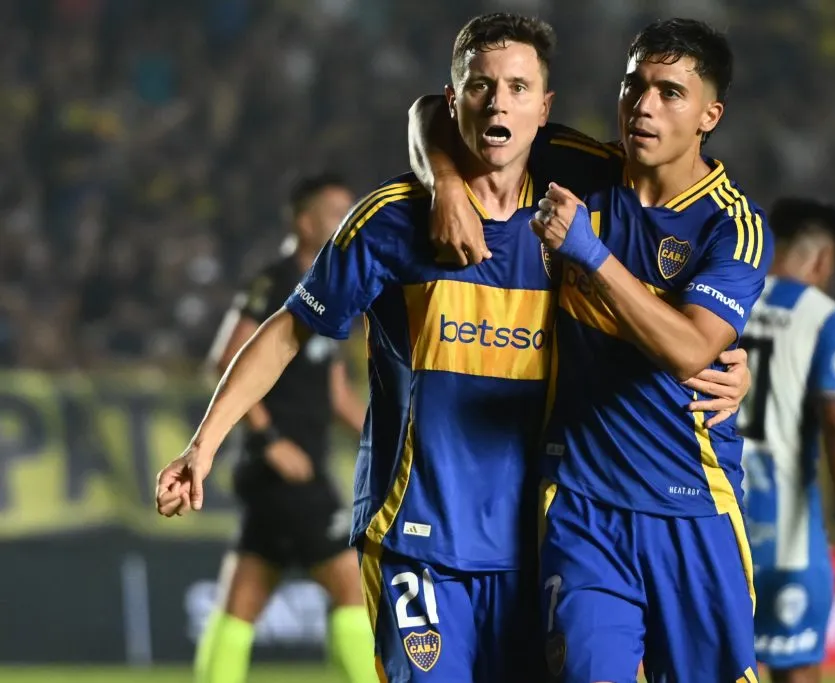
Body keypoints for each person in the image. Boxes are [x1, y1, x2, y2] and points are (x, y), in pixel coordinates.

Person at [157, 14, 748, 683]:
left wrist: (732, 362)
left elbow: (658, 320)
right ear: (454, 98)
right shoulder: (392, 220)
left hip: (536, 547)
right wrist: (202, 444)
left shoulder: (574, 219)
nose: (498, 102)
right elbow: (289, 330)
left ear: (544, 108)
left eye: (518, 88)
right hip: (419, 543)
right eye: (481, 87)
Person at [410, 17, 772, 683]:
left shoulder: (733, 226)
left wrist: (590, 255)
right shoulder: (582, 166)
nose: (643, 106)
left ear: (709, 114)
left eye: (670, 93)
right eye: (634, 86)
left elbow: (691, 349)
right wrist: (446, 184)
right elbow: (436, 109)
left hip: (690, 507)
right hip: (583, 507)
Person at [194, 173, 375, 683]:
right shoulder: (275, 283)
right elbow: (226, 359)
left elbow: (337, 394)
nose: (347, 219)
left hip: (299, 465)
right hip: (285, 467)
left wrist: (390, 437)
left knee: (244, 594)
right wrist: (269, 440)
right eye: (335, 210)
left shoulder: (331, 290)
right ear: (304, 220)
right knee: (349, 584)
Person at [738, 198, 835, 683]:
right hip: (788, 533)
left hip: (716, 519)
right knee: (796, 672)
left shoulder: (723, 296)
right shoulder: (824, 316)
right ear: (823, 259)